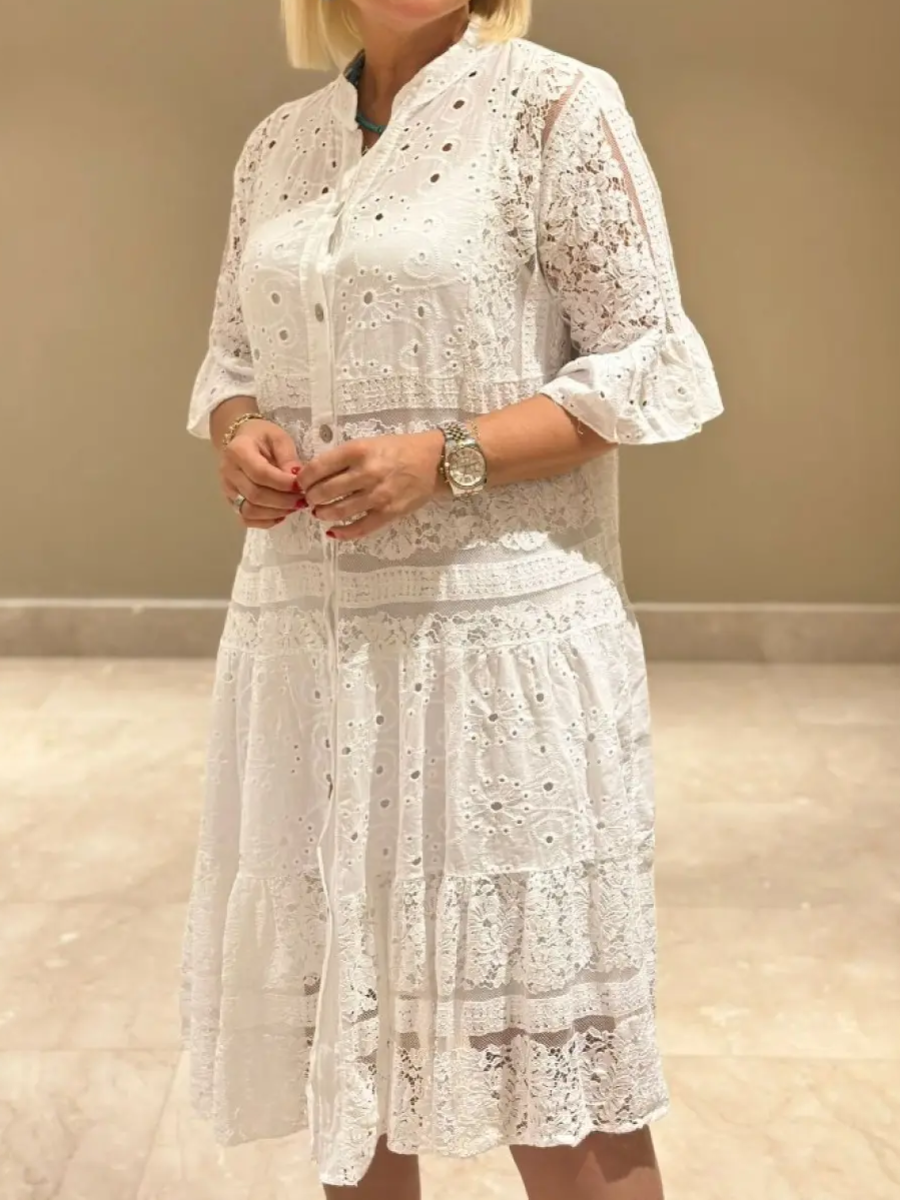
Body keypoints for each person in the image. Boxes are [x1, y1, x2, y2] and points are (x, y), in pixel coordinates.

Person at [181, 1, 723, 1197]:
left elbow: (649, 360)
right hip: (307, 650)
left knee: (555, 1075)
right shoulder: (280, 143)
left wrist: (445, 458)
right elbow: (232, 358)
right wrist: (240, 433)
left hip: (496, 657)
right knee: (348, 1047)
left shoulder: (556, 106)